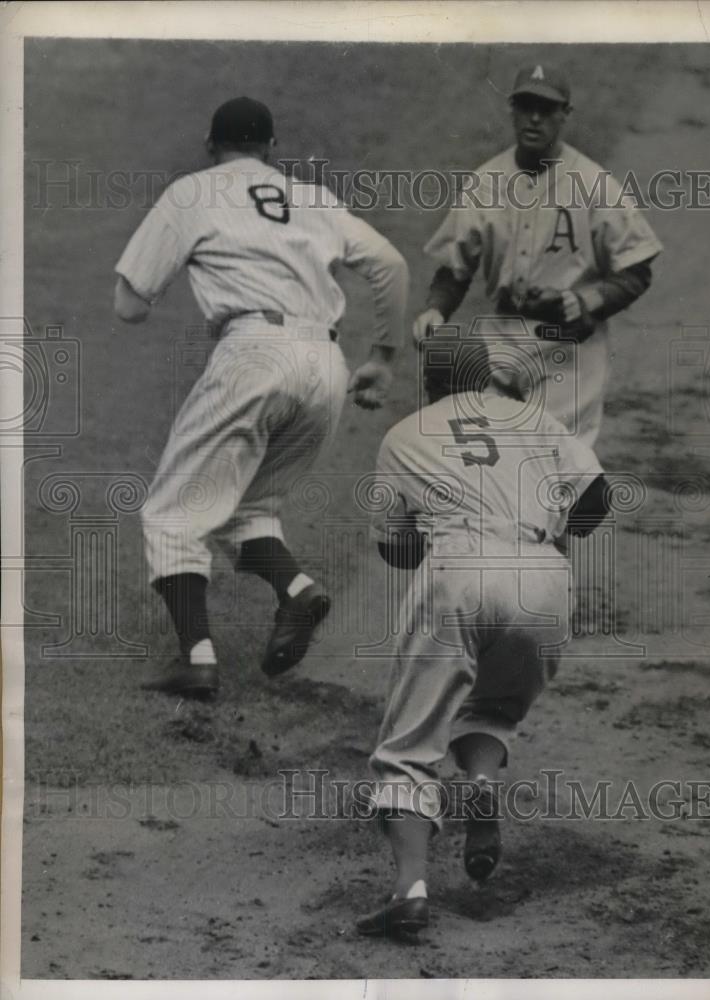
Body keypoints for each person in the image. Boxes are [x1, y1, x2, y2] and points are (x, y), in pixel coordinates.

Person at [114, 97, 408, 698]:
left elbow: (130, 305)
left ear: (208, 145)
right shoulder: (313, 199)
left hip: (254, 355)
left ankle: (196, 660)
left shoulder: (191, 192)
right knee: (243, 507)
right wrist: (383, 358)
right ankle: (298, 592)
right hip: (325, 366)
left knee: (172, 513)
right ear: (272, 149)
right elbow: (391, 264)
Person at [356, 332, 611, 941]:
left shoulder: (405, 435)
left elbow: (394, 548)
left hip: (459, 570)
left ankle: (410, 890)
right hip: (544, 579)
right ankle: (480, 782)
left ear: (430, 384)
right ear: (488, 377)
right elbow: (599, 496)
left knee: (409, 745)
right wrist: (543, 535)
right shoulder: (536, 417)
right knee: (492, 705)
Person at [413, 63, 663, 447]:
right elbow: (454, 266)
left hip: (570, 347)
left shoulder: (595, 185)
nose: (534, 118)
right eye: (525, 105)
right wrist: (435, 309)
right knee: (481, 461)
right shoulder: (486, 181)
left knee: (555, 471)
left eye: (546, 109)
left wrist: (585, 300)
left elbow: (636, 269)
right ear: (511, 109)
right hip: (500, 337)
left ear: (565, 114)